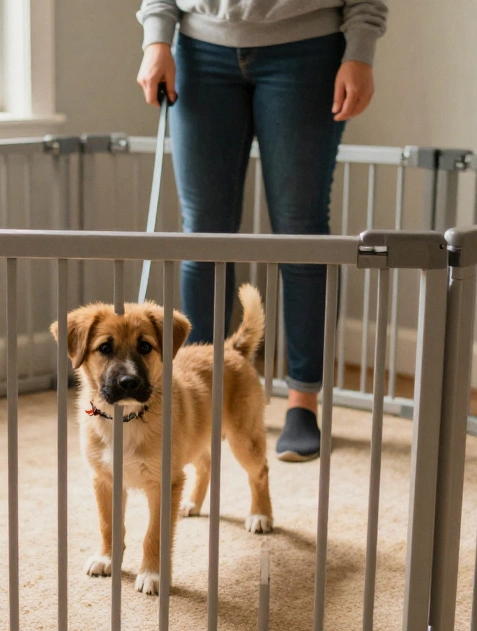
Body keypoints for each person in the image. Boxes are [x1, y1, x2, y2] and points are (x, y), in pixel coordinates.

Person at [135, 0, 386, 462]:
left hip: (307, 49)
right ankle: (204, 393)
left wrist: (360, 52)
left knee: (302, 233)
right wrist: (157, 39)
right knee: (204, 237)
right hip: (199, 48)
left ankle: (302, 403)